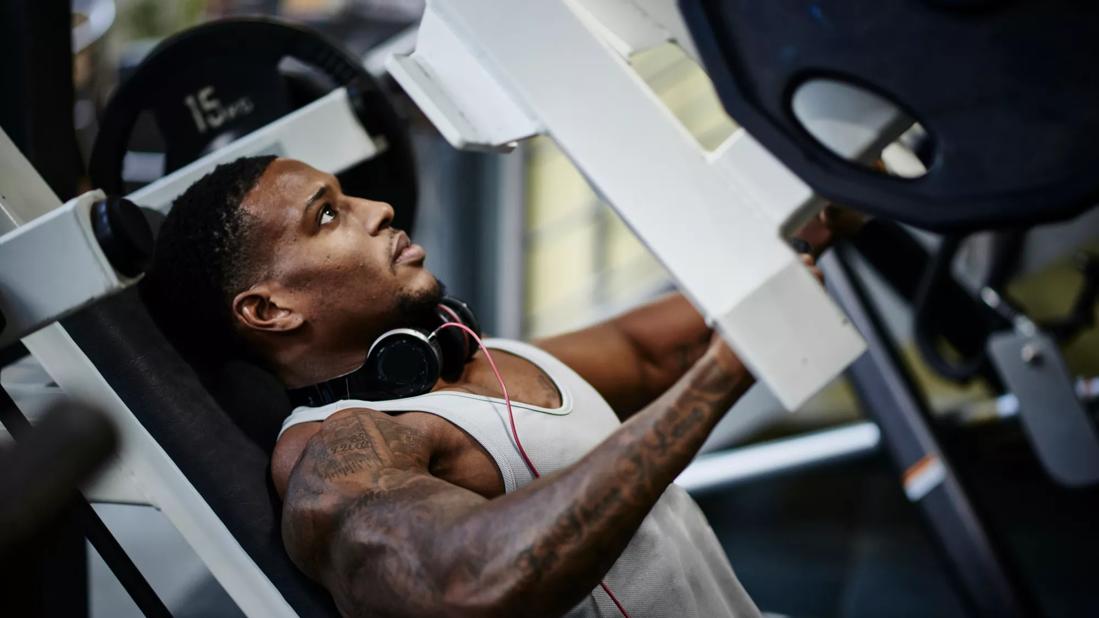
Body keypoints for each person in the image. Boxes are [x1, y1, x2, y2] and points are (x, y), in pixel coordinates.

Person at [142, 155, 837, 618]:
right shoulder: (339, 453)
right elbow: (460, 581)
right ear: (270, 310)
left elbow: (650, 353)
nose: (378, 206)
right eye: (327, 215)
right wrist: (719, 379)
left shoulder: (474, 356)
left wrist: (827, 211)